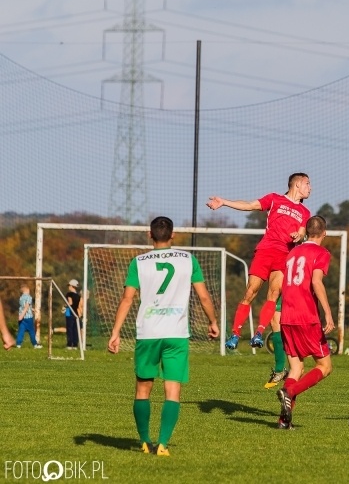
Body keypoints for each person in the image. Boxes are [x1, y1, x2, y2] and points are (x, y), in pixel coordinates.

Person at [107, 216, 220, 456]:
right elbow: (204, 297)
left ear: (150, 235)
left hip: (148, 334)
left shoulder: (139, 262)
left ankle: (146, 441)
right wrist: (213, 321)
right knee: (173, 391)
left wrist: (116, 332)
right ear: (173, 235)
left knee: (142, 389)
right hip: (176, 334)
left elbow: (127, 299)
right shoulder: (188, 260)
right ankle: (164, 445)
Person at [206, 173, 311, 351]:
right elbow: (250, 205)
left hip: (285, 255)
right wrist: (224, 202)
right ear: (298, 184)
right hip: (266, 251)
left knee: (274, 293)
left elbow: (301, 232)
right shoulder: (274, 199)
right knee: (250, 292)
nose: (310, 188)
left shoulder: (305, 212)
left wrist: (299, 236)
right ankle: (235, 335)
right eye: (308, 184)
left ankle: (259, 334)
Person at [275, 215, 335, 429]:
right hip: (306, 316)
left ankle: (284, 421)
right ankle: (289, 391)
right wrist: (328, 313)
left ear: (307, 232)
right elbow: (316, 282)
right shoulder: (321, 253)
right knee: (325, 366)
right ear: (324, 233)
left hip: (287, 316)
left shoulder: (293, 253)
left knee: (296, 368)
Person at [65, 279, 83, 350]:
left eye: (69, 286)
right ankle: (75, 344)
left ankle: (69, 344)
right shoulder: (78, 296)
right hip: (76, 314)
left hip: (69, 313)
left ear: (72, 286)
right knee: (75, 329)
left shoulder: (69, 294)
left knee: (69, 329)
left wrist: (64, 306)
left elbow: (70, 303)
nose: (68, 287)